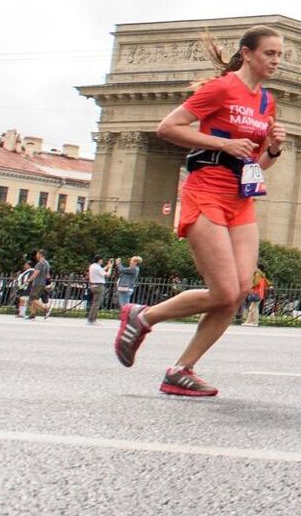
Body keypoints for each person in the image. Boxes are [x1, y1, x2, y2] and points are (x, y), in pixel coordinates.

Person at [114, 25, 287, 396]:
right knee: (223, 290)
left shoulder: (266, 102)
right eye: (269, 53)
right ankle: (143, 316)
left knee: (239, 291)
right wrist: (221, 144)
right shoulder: (221, 89)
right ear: (247, 53)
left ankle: (181, 369)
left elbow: (254, 162)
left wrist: (271, 149)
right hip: (206, 189)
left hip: (240, 198)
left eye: (279, 55)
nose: (275, 60)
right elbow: (168, 127)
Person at [87, 256, 107, 324]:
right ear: (99, 260)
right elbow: (107, 274)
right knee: (96, 304)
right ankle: (91, 319)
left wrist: (107, 266)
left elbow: (101, 271)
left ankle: (93, 319)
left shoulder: (92, 266)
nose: (102, 261)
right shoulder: (98, 267)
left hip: (93, 285)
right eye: (102, 260)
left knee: (94, 303)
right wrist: (110, 268)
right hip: (99, 286)